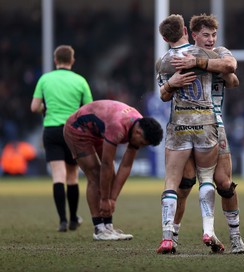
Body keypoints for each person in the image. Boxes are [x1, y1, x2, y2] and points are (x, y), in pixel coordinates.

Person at [161, 14, 244, 254]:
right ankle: (173, 237)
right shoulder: (177, 58)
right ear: (193, 34)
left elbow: (232, 74)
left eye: (213, 35)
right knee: (186, 183)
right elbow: (165, 93)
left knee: (225, 184)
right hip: (185, 125)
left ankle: (235, 236)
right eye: (206, 35)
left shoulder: (219, 52)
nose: (210, 40)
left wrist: (200, 64)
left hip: (214, 125)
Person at [63, 99, 163, 241]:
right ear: (139, 132)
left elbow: (126, 166)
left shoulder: (139, 126)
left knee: (110, 176)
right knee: (96, 175)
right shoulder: (118, 126)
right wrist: (104, 199)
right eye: (141, 143)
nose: (139, 146)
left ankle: (108, 227)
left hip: (97, 130)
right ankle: (99, 229)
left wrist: (112, 199)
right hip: (77, 129)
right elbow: (106, 163)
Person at [31, 45, 93, 232]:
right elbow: (89, 109)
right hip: (72, 131)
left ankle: (62, 221)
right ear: (72, 60)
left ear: (55, 60)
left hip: (51, 131)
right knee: (72, 176)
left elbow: (34, 107)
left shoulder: (45, 79)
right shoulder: (80, 81)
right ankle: (74, 219)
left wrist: (45, 110)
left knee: (58, 176)